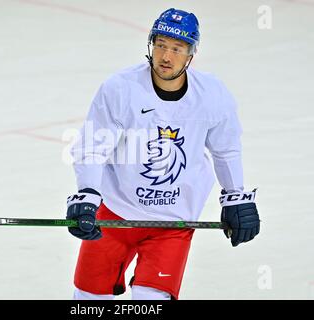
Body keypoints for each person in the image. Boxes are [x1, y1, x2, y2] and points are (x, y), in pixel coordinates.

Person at [66, 8, 260, 300]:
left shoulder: (212, 95)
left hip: (173, 222)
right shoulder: (121, 88)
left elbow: (226, 148)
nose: (166, 56)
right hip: (116, 213)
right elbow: (94, 144)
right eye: (160, 45)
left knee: (150, 301)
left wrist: (235, 195)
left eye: (176, 48)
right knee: (88, 299)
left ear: (191, 54)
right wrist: (88, 192)